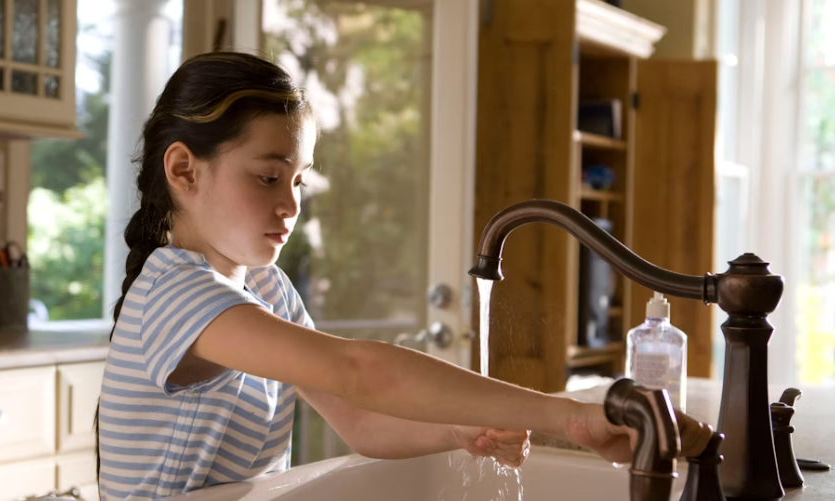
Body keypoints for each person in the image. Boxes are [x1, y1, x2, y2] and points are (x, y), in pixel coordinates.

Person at [96, 52, 712, 501]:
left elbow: (359, 417)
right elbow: (362, 371)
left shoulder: (264, 289)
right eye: (267, 176)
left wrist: (456, 426)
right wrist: (569, 416)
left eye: (299, 181)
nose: (291, 204)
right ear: (184, 170)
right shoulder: (171, 292)